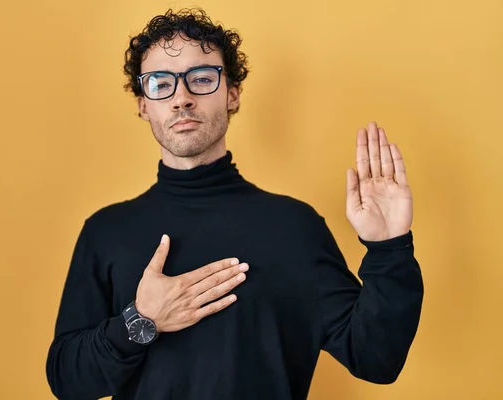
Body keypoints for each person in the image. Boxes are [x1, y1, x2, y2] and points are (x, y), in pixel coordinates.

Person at [45, 8, 424, 400]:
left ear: (233, 94)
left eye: (202, 79)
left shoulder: (295, 227)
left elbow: (376, 359)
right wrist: (141, 321)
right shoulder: (106, 231)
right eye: (161, 84)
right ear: (144, 105)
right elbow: (67, 381)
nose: (182, 99)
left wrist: (388, 248)